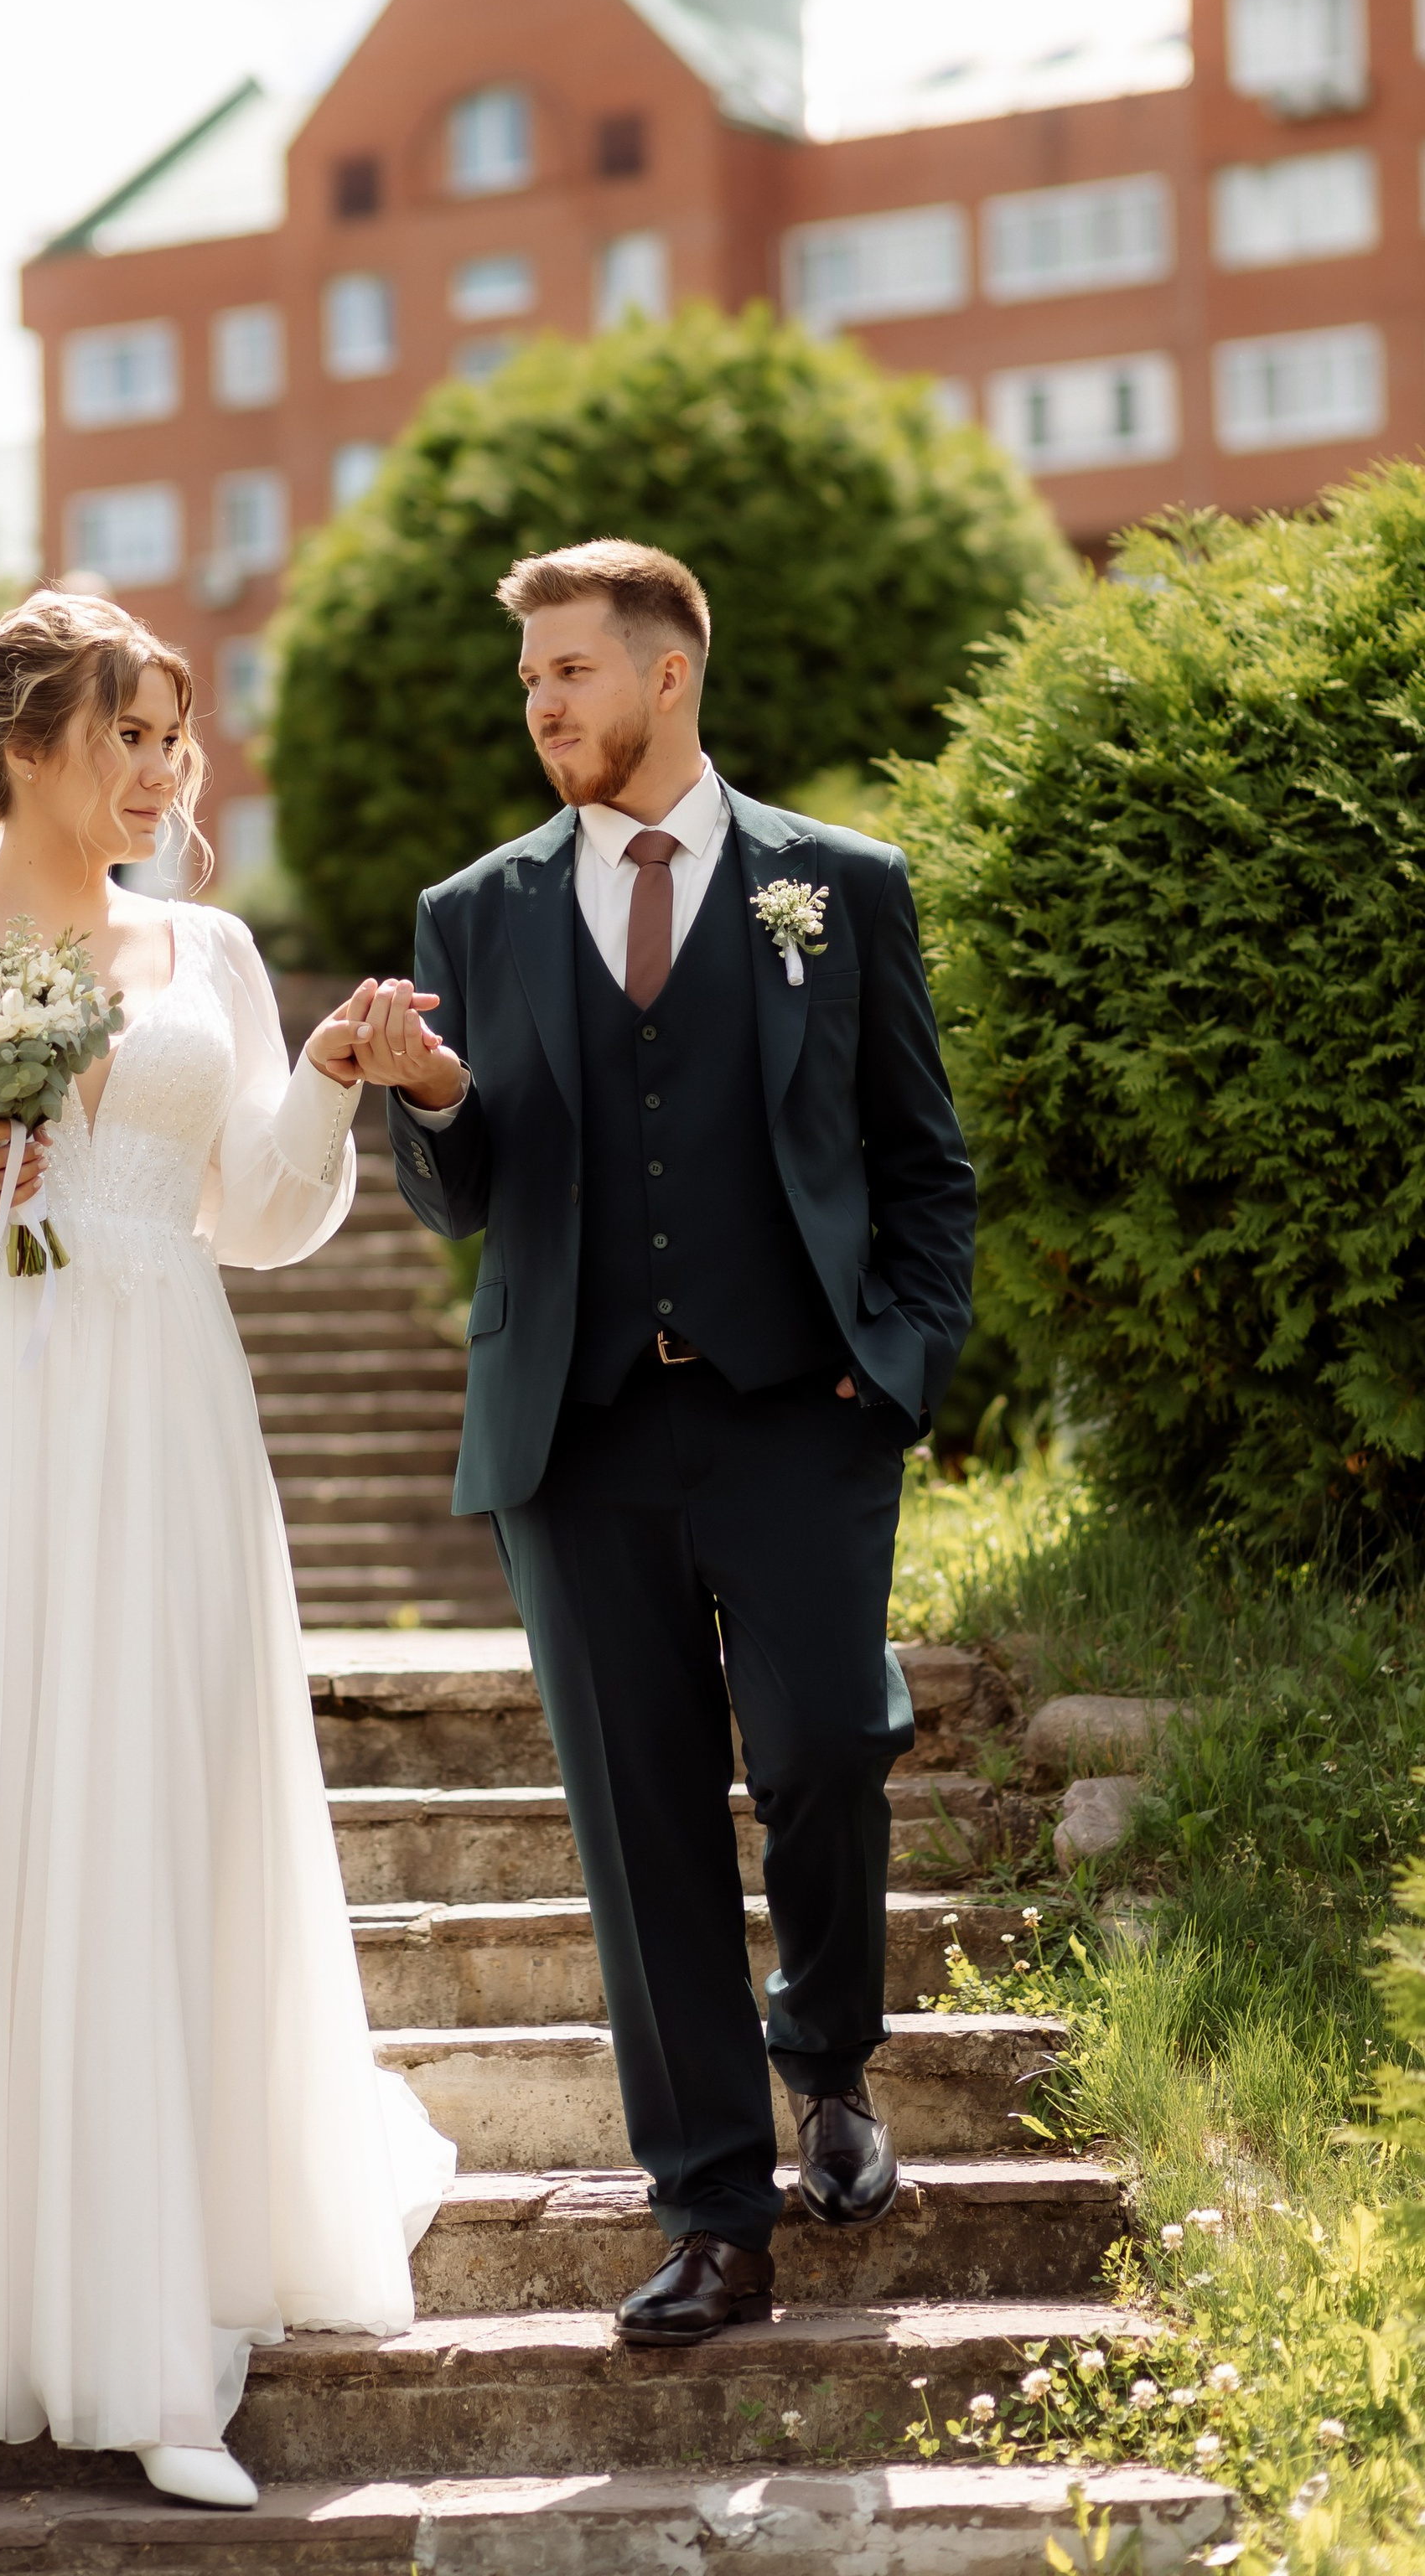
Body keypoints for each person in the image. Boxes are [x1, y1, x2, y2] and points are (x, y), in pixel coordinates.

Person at [0, 589, 452, 2509]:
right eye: (132, 735)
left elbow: (255, 1217)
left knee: (157, 1801)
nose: (166, 771)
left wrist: (319, 1084)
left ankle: (154, 2325)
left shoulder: (207, 948)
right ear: (32, 746)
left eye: (178, 740)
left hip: (158, 1406)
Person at [348, 538, 974, 2344]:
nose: (539, 703)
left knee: (826, 1752)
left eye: (566, 671)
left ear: (664, 673)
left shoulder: (834, 888)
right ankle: (713, 2211)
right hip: (578, 1435)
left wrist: (895, 1367)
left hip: (798, 1418)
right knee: (638, 1830)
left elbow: (918, 1160)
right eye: (527, 676)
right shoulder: (468, 913)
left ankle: (826, 2057)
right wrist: (438, 1100)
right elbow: (458, 1197)